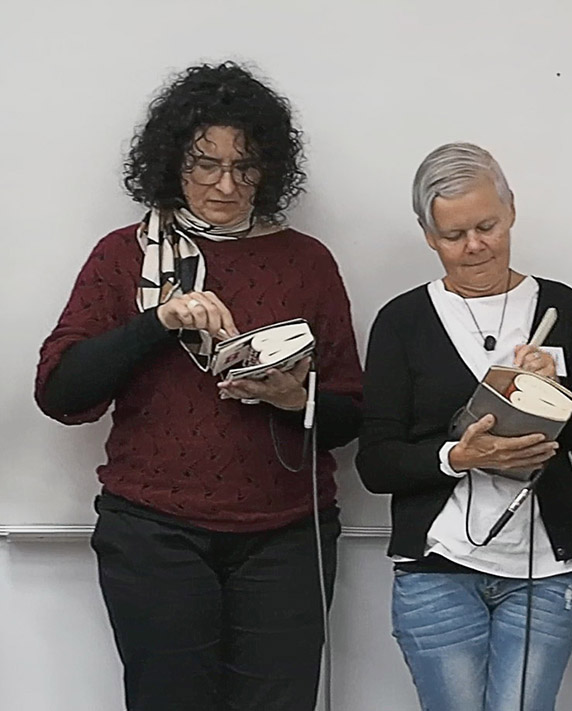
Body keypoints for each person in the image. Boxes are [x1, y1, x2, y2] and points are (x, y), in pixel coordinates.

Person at [34, 62, 363, 711]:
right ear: (172, 163)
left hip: (287, 536)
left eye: (245, 166)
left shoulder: (307, 262)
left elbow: (351, 413)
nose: (226, 184)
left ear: (269, 168)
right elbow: (61, 392)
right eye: (206, 164)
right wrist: (158, 321)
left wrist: (295, 400)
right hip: (153, 534)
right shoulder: (125, 255)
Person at [356, 142, 572, 711]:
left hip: (544, 569)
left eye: (487, 226)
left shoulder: (562, 308)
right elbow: (376, 463)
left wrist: (560, 399)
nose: (474, 246)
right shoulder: (402, 321)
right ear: (428, 235)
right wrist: (460, 457)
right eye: (454, 235)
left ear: (511, 210)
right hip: (437, 566)